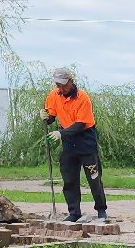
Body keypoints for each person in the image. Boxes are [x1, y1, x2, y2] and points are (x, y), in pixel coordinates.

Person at [43, 67, 109, 222]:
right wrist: (46, 117)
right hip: (68, 142)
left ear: (71, 81)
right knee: (69, 178)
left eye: (64, 85)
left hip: (85, 139)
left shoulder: (82, 97)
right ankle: (74, 212)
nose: (61, 88)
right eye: (58, 85)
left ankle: (101, 210)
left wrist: (61, 133)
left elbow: (81, 124)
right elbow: (51, 116)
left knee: (94, 177)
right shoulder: (54, 95)